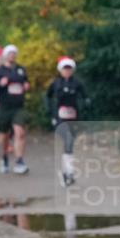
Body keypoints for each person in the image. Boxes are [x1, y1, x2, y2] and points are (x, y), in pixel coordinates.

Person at [46, 56, 87, 187]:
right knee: (68, 140)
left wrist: (86, 103)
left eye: (69, 69)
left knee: (69, 144)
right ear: (60, 70)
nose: (67, 71)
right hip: (60, 118)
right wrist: (50, 112)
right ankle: (68, 173)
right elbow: (47, 97)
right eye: (65, 68)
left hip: (73, 118)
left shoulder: (77, 83)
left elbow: (85, 96)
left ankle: (67, 172)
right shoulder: (55, 83)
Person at [0, 44, 30, 174]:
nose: (12, 55)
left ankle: (19, 161)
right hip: (5, 108)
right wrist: (0, 84)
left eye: (14, 53)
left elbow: (25, 81)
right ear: (6, 55)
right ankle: (4, 156)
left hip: (19, 107)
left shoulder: (21, 69)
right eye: (10, 53)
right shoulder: (0, 71)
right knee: (4, 135)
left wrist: (26, 85)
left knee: (20, 132)